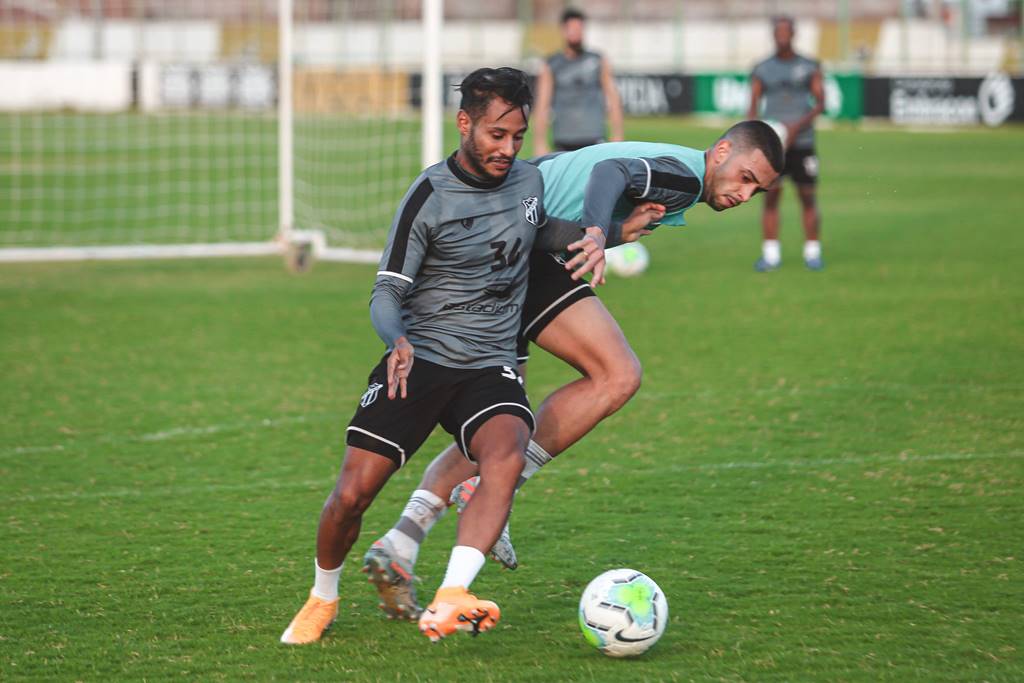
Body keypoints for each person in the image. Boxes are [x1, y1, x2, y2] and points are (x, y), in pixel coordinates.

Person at [362, 122, 785, 619]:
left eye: (757, 189)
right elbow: (609, 170)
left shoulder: (679, 172)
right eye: (745, 177)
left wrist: (609, 231)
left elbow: (549, 171)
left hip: (498, 251)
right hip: (520, 255)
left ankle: (402, 541)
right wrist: (598, 234)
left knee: (499, 426)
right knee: (616, 374)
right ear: (721, 152)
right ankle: (502, 487)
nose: (745, 193)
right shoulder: (687, 177)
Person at [279, 67, 615, 646]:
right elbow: (387, 290)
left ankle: (453, 592)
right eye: (495, 135)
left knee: (505, 452)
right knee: (352, 496)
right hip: (421, 359)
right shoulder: (429, 195)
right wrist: (398, 340)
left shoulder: (527, 182)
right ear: (464, 123)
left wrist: (602, 232)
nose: (508, 149)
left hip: (489, 365)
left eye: (517, 136)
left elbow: (534, 232)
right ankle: (322, 595)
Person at [748, 15, 826, 272]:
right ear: (773, 35)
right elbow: (752, 107)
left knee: (807, 196)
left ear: (793, 34)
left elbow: (821, 103)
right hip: (773, 145)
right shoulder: (762, 68)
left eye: (786, 32)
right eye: (778, 32)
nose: (782, 36)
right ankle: (771, 256)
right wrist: (757, 136)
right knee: (771, 197)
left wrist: (795, 128)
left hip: (803, 142)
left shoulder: (809, 65)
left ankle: (812, 253)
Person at [532, 7, 624, 156]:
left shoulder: (598, 60)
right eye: (571, 28)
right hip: (563, 140)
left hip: (594, 139)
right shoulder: (551, 64)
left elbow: (613, 98)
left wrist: (617, 134)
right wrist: (539, 143)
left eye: (579, 28)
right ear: (563, 30)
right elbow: (542, 104)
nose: (575, 32)